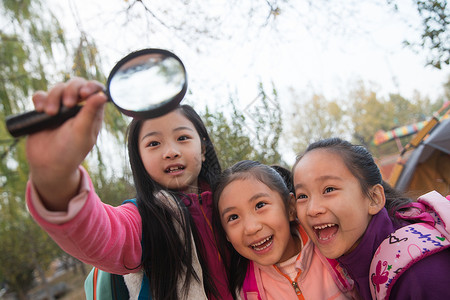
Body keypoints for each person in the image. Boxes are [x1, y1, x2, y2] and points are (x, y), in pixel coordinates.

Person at [24, 77, 231, 299]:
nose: (171, 151)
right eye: (153, 143)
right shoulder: (144, 220)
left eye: (182, 137)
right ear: (139, 158)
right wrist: (57, 175)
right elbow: (99, 233)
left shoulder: (234, 200)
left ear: (202, 149)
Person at [292, 137, 450, 300]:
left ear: (374, 198)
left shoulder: (418, 274)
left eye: (329, 189)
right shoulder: (351, 262)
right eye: (302, 196)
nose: (312, 209)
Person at [212, 160, 358, 300]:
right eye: (233, 217)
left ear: (290, 208)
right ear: (226, 235)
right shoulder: (245, 291)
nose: (251, 228)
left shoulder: (336, 251)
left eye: (260, 205)